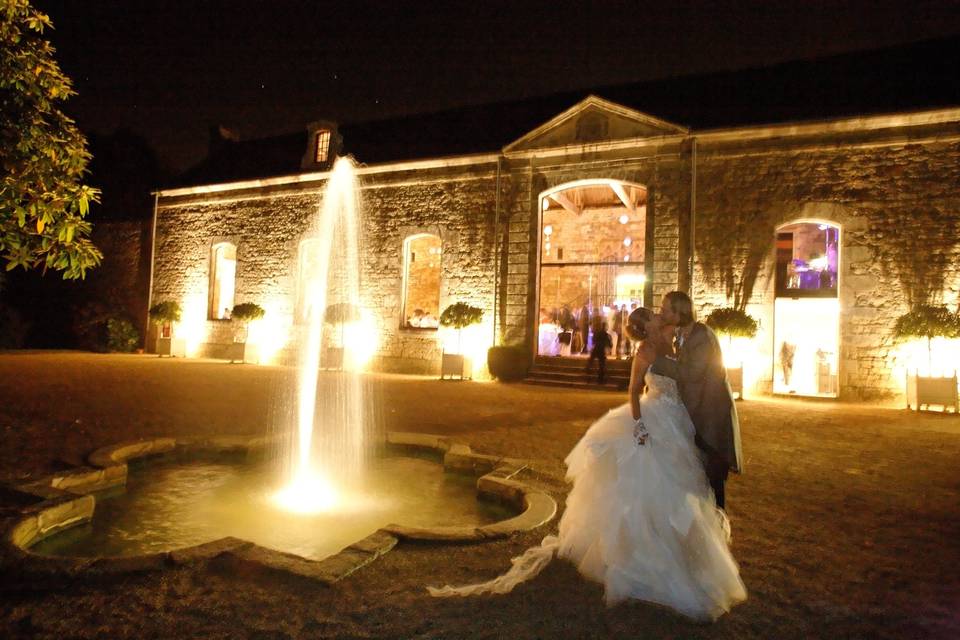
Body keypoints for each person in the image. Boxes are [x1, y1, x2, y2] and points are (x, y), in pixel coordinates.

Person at [428, 307, 747, 621]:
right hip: (654, 420)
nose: (658, 315)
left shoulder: (672, 341)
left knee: (681, 488)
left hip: (677, 423)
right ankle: (640, 556)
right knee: (643, 487)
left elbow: (690, 373)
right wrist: (639, 424)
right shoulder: (645, 351)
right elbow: (634, 391)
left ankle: (681, 551)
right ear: (645, 326)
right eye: (652, 315)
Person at [651, 291, 742, 510]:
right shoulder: (685, 334)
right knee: (700, 476)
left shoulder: (702, 337)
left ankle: (716, 528)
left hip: (711, 417)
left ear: (679, 312)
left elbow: (693, 373)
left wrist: (657, 362)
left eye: (665, 309)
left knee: (713, 477)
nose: (661, 313)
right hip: (697, 414)